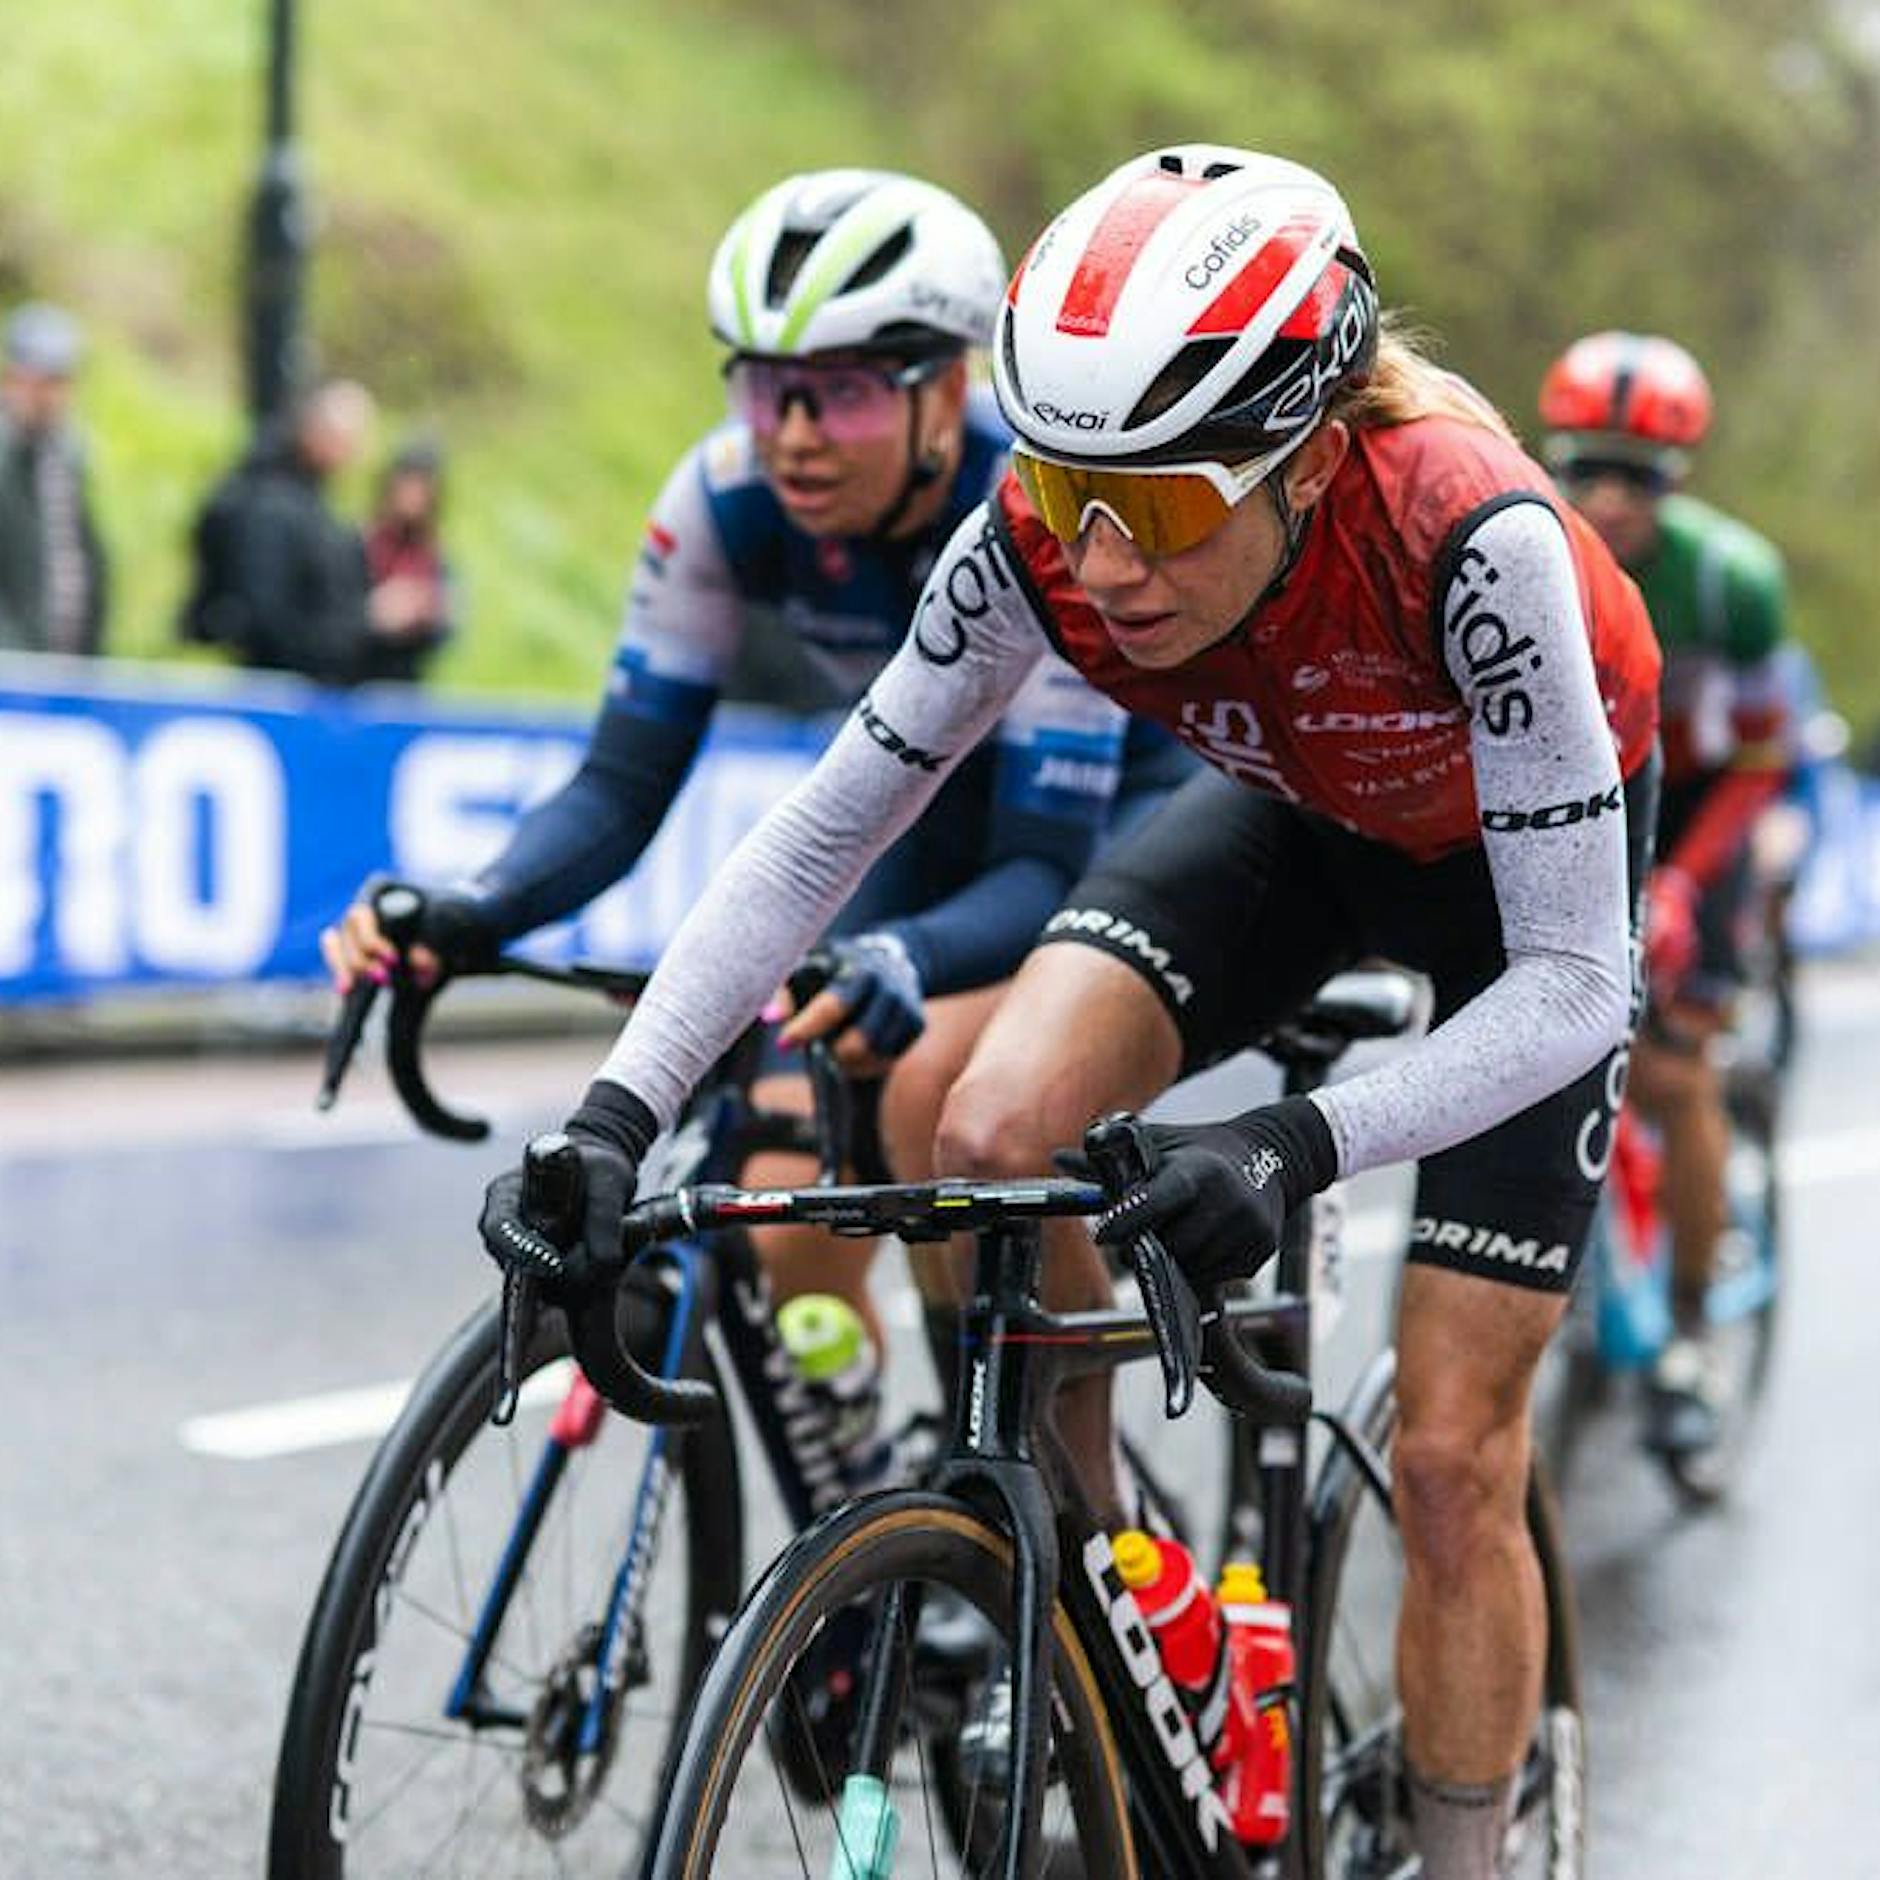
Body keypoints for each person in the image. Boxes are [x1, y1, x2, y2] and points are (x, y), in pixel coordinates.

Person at [478, 144, 1662, 1877]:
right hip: (1292, 819)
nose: (1102, 558)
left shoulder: (1471, 541)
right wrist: (613, 1113)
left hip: (1510, 887)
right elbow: (826, 824)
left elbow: (1574, 982)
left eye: (1167, 507)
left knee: (1452, 1450)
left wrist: (1288, 1142)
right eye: (1062, 479)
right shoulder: (1041, 532)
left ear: (1315, 455)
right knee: (982, 1129)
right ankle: (1120, 1613)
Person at [327, 169, 1184, 1389]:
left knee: (939, 1100)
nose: (788, 434)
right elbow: (620, 788)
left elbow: (1039, 861)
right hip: (931, 834)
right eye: (765, 386)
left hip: (1112, 825)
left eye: (837, 394)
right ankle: (867, 1490)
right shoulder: (723, 502)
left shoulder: (1038, 502)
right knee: (778, 1195)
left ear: (948, 386)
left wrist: (909, 962)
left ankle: (1024, 1497)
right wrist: (474, 905)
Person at [1538, 331, 1790, 1455]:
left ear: (1673, 483)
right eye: (1585, 468)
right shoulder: (1523, 544)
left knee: (1672, 1068)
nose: (1608, 498)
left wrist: (1682, 881)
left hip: (1694, 810)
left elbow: (1757, 756)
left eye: (1634, 479)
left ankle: (1688, 1330)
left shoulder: (1730, 582)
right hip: (1589, 797)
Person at [181, 378, 438, 685]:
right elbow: (274, 624)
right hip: (280, 692)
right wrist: (368, 620)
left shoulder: (307, 507)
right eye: (352, 438)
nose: (358, 452)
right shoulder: (274, 509)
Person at [0, 303, 109, 655]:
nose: (50, 396)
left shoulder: (69, 455)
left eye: (60, 381)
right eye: (41, 381)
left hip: (66, 665)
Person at [360, 437, 456, 683]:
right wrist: (376, 611)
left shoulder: (434, 554)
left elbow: (448, 630)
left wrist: (427, 611)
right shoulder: (360, 543)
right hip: (358, 675)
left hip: (406, 679)